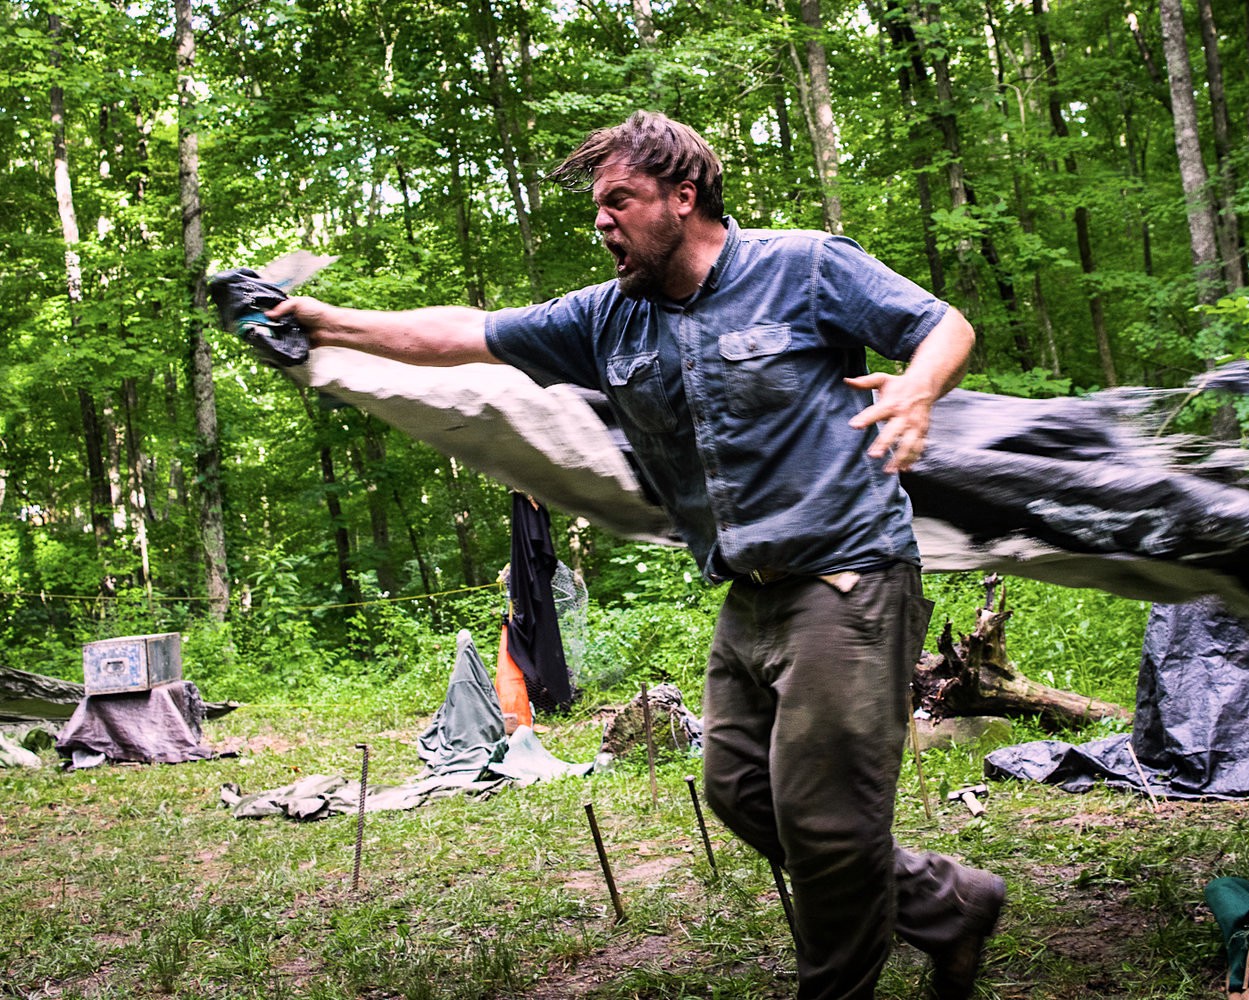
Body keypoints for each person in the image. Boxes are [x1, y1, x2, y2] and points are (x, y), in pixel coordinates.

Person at [271, 111, 1006, 1000]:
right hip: (750, 594)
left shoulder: (805, 266)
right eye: (597, 206)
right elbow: (459, 334)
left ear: (682, 197)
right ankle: (946, 903)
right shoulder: (604, 320)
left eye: (619, 200)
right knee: (739, 792)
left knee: (825, 825)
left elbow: (943, 324)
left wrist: (918, 389)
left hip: (849, 575)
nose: (601, 221)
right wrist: (326, 322)